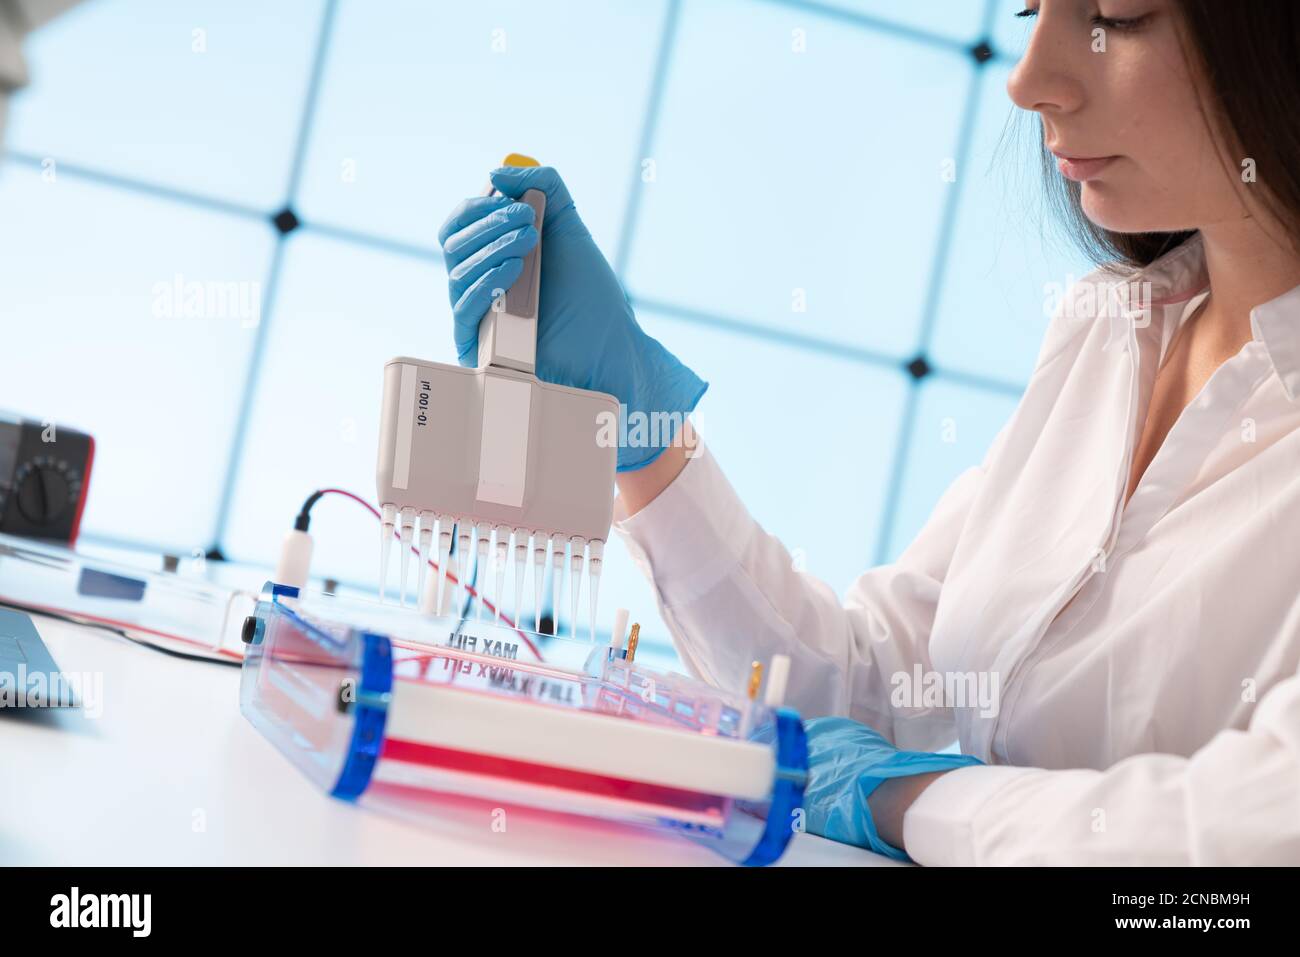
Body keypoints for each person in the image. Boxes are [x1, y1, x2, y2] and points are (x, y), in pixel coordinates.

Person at [438, 0, 1300, 865]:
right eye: (1034, 8)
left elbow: (1246, 834)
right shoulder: (1108, 331)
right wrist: (642, 433)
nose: (1029, 79)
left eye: (1118, 14)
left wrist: (911, 797)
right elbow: (861, 687)